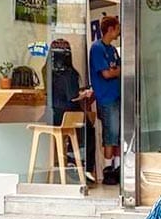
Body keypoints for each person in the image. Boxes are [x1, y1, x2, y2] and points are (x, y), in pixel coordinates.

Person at [46, 38, 96, 183]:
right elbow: (72, 96)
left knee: (78, 131)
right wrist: (84, 94)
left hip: (53, 114)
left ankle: (72, 162)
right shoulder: (69, 73)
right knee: (89, 131)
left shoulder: (47, 70)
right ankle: (84, 167)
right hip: (69, 115)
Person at [89, 15, 121, 185]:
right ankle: (108, 169)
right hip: (106, 97)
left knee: (119, 132)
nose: (119, 31)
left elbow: (115, 69)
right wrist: (117, 71)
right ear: (110, 29)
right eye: (117, 28)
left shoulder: (113, 50)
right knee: (111, 133)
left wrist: (115, 70)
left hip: (117, 95)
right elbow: (107, 73)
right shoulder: (97, 48)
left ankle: (117, 167)